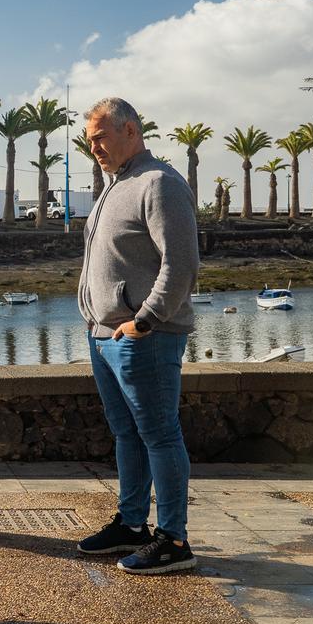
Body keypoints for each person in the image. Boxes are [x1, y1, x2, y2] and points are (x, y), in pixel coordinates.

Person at [73, 97, 200, 575]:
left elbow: (182, 263)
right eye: (90, 141)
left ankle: (173, 538)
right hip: (103, 336)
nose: (95, 148)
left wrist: (144, 320)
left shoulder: (159, 183)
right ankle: (132, 524)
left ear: (130, 130)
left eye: (101, 137)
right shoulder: (115, 185)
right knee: (126, 433)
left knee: (160, 434)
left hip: (145, 337)